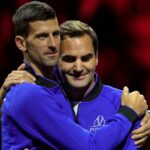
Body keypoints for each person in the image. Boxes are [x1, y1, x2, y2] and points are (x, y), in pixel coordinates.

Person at [0, 1, 149, 149]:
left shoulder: (56, 82)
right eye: (42, 36)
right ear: (21, 43)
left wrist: (146, 115)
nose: (52, 44)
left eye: (56, 34)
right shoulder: (29, 93)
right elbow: (88, 147)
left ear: (97, 57)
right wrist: (129, 113)